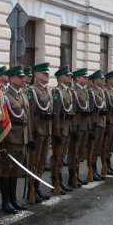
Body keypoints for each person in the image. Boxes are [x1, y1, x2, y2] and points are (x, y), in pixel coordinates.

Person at [1, 65, 31, 213]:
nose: (23, 79)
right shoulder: (5, 96)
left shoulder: (23, 95)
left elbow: (28, 118)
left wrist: (29, 137)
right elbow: (3, 120)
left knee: (16, 171)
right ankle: (5, 202)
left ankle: (13, 199)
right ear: (12, 79)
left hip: (23, 137)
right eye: (20, 77)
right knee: (6, 170)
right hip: (11, 138)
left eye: (23, 76)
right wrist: (2, 142)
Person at [27, 62, 53, 204]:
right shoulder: (32, 91)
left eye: (48, 73)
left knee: (42, 162)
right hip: (37, 131)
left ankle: (37, 188)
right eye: (44, 73)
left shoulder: (49, 90)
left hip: (46, 131)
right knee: (34, 162)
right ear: (36, 75)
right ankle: (31, 189)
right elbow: (30, 115)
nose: (47, 75)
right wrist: (30, 136)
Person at [51, 65, 74, 195]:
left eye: (70, 75)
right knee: (57, 156)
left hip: (67, 128)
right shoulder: (57, 92)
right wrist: (56, 132)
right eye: (67, 75)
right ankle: (55, 181)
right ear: (60, 78)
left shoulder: (68, 91)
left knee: (62, 156)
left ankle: (59, 180)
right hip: (60, 129)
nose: (70, 77)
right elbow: (56, 113)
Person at [67, 68, 90, 188]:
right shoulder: (73, 91)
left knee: (80, 152)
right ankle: (72, 176)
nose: (86, 78)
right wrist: (74, 128)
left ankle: (77, 174)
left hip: (85, 125)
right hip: (77, 126)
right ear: (77, 79)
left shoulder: (85, 91)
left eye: (86, 77)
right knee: (73, 152)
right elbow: (73, 111)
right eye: (83, 77)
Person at [88, 70, 107, 181]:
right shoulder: (92, 92)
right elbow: (90, 110)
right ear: (95, 80)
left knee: (98, 148)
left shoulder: (102, 91)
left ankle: (94, 169)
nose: (103, 80)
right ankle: (91, 169)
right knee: (93, 148)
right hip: (95, 124)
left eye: (103, 78)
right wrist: (90, 127)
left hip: (102, 123)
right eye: (101, 78)